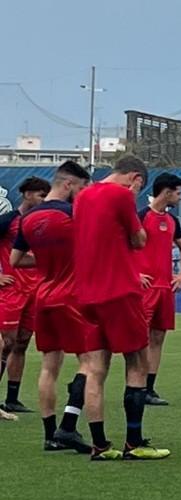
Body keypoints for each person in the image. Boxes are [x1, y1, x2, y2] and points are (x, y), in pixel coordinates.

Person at [73, 155, 168, 460]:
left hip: (87, 292)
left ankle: (100, 445)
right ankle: (134, 442)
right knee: (137, 363)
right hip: (119, 290)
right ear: (135, 178)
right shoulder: (121, 195)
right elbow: (140, 238)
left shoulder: (84, 195)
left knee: (95, 369)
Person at [8, 161, 93, 451]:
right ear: (68, 184)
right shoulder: (72, 215)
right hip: (71, 296)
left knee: (49, 365)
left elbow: (15, 261)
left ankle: (49, 436)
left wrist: (45, 261)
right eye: (81, 188)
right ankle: (68, 426)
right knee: (90, 363)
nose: (81, 195)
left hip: (43, 294)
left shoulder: (28, 218)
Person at [138, 173, 181, 406]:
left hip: (165, 288)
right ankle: (136, 387)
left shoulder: (171, 221)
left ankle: (148, 388)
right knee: (140, 339)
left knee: (158, 338)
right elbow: (120, 246)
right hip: (145, 289)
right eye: (178, 192)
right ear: (166, 192)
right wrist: (134, 274)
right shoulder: (141, 216)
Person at [0, 176, 51, 415]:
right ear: (27, 194)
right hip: (11, 290)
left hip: (34, 290)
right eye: (41, 195)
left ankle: (12, 398)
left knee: (21, 343)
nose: (43, 200)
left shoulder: (41, 223)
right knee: (5, 343)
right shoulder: (9, 221)